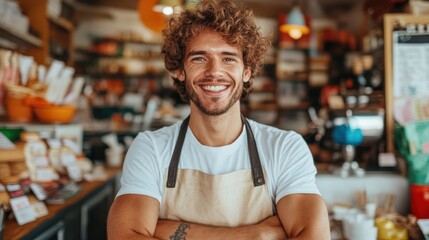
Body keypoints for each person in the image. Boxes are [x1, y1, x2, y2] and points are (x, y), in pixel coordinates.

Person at [107, 0, 330, 239]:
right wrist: (256, 234)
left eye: (228, 58)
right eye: (199, 58)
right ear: (180, 70)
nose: (214, 71)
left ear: (247, 71)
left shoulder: (285, 148)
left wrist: (171, 230)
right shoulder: (151, 148)